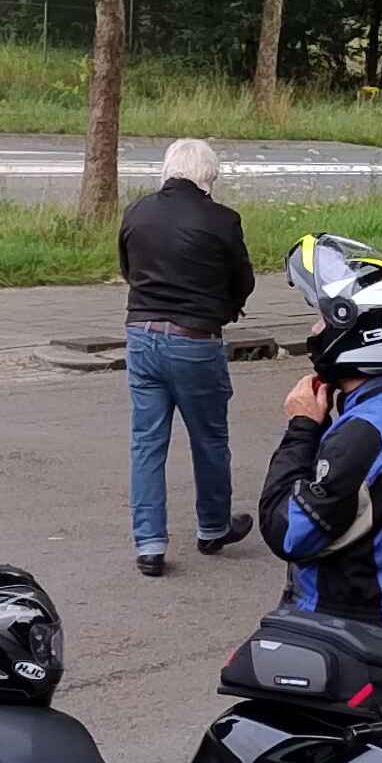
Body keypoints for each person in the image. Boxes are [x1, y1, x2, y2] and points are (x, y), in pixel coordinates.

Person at [260, 242, 382, 627]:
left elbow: (287, 532)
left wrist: (302, 428)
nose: (314, 330)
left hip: (352, 624)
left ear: (359, 332)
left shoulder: (365, 434)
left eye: (323, 319)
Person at [119, 136, 258, 578]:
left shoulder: (137, 212)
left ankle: (149, 544)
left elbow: (128, 269)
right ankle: (213, 527)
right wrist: (223, 308)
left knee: (146, 442)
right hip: (195, 340)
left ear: (167, 170)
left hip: (141, 335)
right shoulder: (222, 220)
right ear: (208, 177)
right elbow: (243, 281)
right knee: (209, 438)